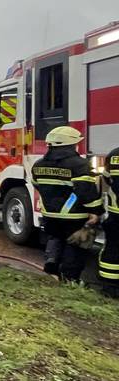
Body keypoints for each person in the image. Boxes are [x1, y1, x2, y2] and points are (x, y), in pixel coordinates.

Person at [31, 126, 102, 282]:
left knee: (55, 238)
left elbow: (37, 185)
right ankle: (70, 280)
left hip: (49, 214)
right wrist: (96, 211)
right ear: (71, 144)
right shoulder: (79, 164)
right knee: (76, 246)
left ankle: (51, 267)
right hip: (74, 216)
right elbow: (86, 191)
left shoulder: (38, 164)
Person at [99, 145, 119, 297]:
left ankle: (109, 287)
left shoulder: (114, 154)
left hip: (115, 214)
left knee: (112, 248)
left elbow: (106, 177)